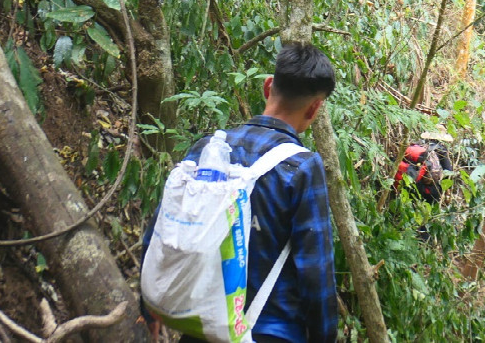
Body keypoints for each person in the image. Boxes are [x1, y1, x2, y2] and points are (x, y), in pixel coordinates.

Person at [144, 44, 339, 343]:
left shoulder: (207, 149)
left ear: (268, 86)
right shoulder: (302, 168)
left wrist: (148, 307)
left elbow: (163, 229)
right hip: (270, 332)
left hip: (203, 325)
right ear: (314, 108)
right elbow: (316, 273)